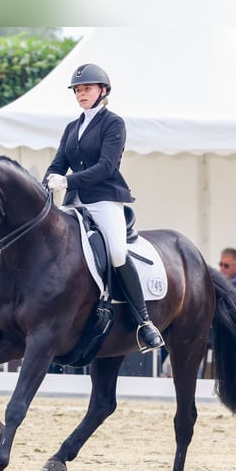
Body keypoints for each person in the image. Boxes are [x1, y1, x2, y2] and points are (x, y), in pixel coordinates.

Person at [42, 63, 164, 353]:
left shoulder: (113, 123)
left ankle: (143, 322)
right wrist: (46, 182)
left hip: (104, 199)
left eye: (87, 89)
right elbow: (59, 163)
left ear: (103, 91)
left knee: (117, 253)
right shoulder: (72, 127)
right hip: (75, 203)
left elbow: (106, 167)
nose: (81, 94)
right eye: (78, 90)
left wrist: (67, 180)